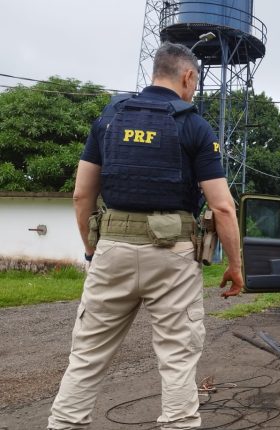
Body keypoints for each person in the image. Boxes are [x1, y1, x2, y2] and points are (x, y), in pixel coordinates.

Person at [48, 42, 244, 430]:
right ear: (187, 76)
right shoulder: (193, 125)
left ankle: (64, 424)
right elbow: (222, 207)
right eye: (194, 82)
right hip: (173, 255)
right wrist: (235, 265)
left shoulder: (109, 118)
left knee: (86, 358)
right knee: (176, 360)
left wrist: (94, 249)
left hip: (112, 250)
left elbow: (81, 195)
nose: (193, 90)